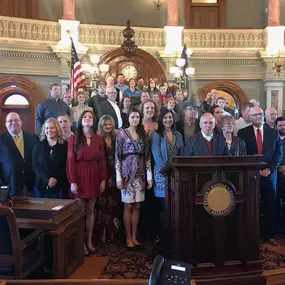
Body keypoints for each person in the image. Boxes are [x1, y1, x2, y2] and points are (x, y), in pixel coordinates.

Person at [238, 106, 282, 246]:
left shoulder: (273, 133)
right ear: (250, 117)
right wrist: (254, 169)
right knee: (252, 205)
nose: (258, 116)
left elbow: (278, 153)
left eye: (260, 114)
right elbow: (241, 154)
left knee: (270, 204)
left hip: (269, 174)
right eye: (254, 114)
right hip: (251, 174)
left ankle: (270, 234)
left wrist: (270, 169)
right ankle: (253, 234)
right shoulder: (243, 133)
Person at [67, 110, 107, 254]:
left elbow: (102, 160)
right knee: (80, 212)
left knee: (90, 211)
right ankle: (80, 243)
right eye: (85, 117)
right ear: (80, 120)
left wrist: (103, 179)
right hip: (79, 175)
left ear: (94, 121)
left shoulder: (98, 138)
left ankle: (89, 241)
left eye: (90, 117)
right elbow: (70, 160)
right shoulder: (74, 138)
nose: (88, 119)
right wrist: (72, 180)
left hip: (94, 175)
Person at [115, 107, 152, 249]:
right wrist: (118, 177)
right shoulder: (121, 134)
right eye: (132, 117)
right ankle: (128, 236)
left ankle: (135, 236)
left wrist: (150, 177)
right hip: (126, 175)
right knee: (128, 205)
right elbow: (118, 157)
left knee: (137, 206)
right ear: (128, 118)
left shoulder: (143, 134)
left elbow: (147, 157)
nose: (135, 119)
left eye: (137, 117)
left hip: (141, 175)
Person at [151, 110, 184, 231]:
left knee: (175, 203)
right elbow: (157, 155)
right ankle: (164, 233)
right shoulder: (157, 135)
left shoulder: (178, 134)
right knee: (164, 204)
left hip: (177, 173)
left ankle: (175, 231)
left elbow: (182, 153)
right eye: (165, 118)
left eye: (170, 117)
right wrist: (167, 171)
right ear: (161, 120)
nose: (168, 120)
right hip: (162, 173)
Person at [94, 115, 120, 243]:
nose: (108, 127)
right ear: (101, 125)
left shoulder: (116, 137)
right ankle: (101, 234)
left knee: (113, 204)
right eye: (105, 125)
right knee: (102, 205)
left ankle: (113, 233)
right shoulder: (98, 138)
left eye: (110, 124)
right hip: (103, 174)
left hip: (116, 174)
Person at [0, 112, 38, 196]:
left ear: (21, 122)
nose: (13, 123)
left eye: (16, 120)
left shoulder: (33, 138)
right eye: (10, 121)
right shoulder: (1, 141)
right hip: (10, 186)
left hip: (31, 185)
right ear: (6, 124)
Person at [32, 118, 69, 198]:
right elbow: (36, 166)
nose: (49, 130)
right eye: (47, 128)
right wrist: (48, 179)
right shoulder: (38, 146)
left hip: (60, 186)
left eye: (52, 128)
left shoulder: (65, 145)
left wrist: (55, 179)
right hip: (41, 185)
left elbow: (66, 165)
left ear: (57, 129)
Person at [275, 117, 285, 231]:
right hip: (276, 173)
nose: (283, 127)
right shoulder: (274, 138)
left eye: (284, 125)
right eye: (281, 125)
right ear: (276, 126)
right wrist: (278, 168)